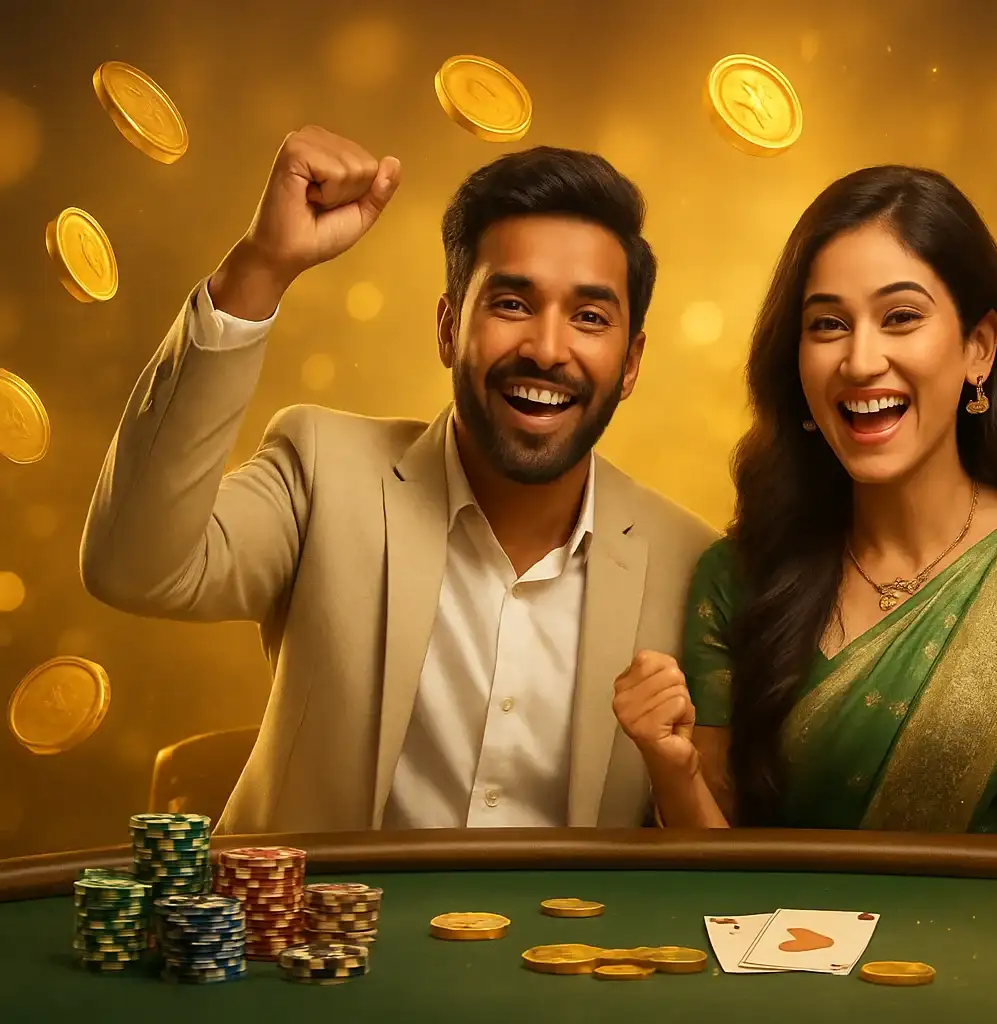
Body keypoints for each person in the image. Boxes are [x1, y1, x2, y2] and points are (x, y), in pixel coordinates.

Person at [80, 126, 716, 835]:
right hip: (304, 941)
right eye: (511, 304)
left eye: (590, 317)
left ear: (631, 364)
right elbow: (132, 568)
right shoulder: (323, 469)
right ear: (448, 328)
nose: (546, 348)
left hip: (565, 945)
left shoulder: (694, 566)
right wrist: (260, 268)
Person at [613, 166, 997, 835]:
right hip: (792, 943)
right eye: (828, 325)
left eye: (901, 317)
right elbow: (718, 879)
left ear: (978, 349)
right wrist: (669, 765)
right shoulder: (741, 577)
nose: (861, 359)